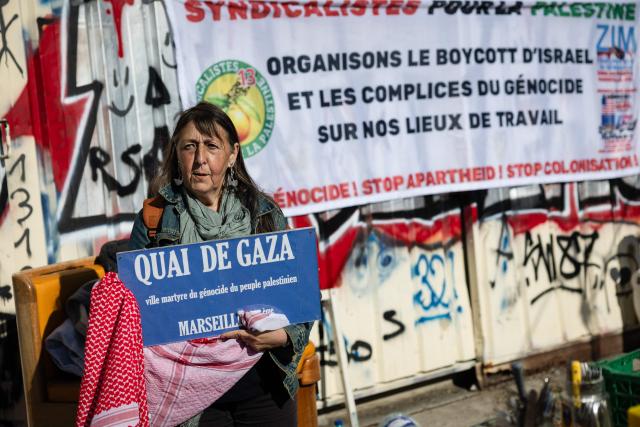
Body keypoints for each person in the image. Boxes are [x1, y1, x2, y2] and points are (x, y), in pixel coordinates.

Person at [128, 101, 311, 426]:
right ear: (177, 154)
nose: (200, 159)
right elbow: (135, 314)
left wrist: (283, 336)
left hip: (265, 386)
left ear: (232, 154)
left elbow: (298, 297)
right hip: (191, 404)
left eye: (212, 146)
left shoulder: (264, 213)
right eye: (189, 147)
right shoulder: (154, 219)